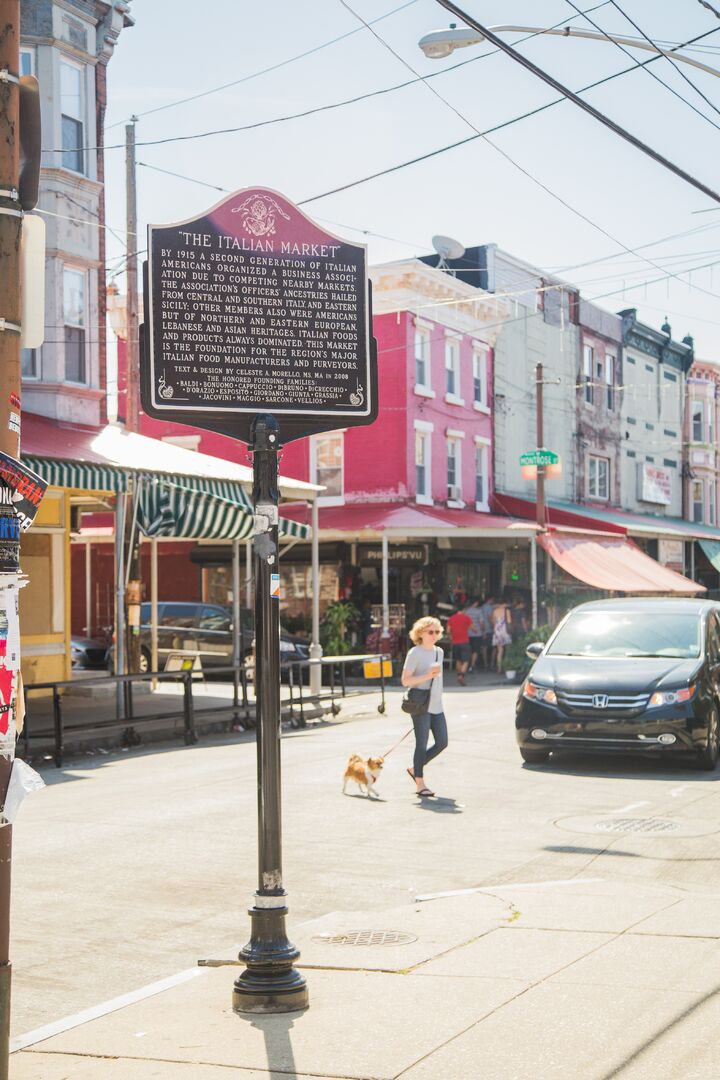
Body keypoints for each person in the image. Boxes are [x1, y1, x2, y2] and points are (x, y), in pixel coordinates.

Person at [402, 617, 447, 798]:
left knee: (442, 742)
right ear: (420, 633)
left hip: (436, 704)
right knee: (421, 744)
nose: (434, 635)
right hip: (420, 704)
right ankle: (420, 783)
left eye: (437, 632)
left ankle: (415, 768)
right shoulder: (415, 653)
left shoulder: (439, 652)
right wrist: (427, 675)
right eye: (430, 632)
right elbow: (406, 681)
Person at [446, 605, 473, 685]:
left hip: (455, 643)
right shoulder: (466, 618)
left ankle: (458, 674)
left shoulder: (451, 618)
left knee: (458, 660)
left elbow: (448, 631)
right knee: (466, 660)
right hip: (464, 642)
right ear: (464, 610)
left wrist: (450, 638)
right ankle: (461, 676)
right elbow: (473, 627)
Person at [491, 593, 513, 673]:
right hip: (505, 631)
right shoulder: (506, 611)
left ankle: (499, 668)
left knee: (499, 651)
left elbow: (493, 621)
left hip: (497, 631)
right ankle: (507, 667)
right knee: (507, 650)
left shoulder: (495, 611)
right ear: (504, 603)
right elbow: (509, 621)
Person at [463, 597, 486, 673]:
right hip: (477, 634)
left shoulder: (466, 611)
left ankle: (466, 665)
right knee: (475, 650)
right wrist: (483, 631)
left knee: (469, 650)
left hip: (468, 634)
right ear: (475, 603)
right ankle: (472, 665)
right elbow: (481, 622)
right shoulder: (479, 611)